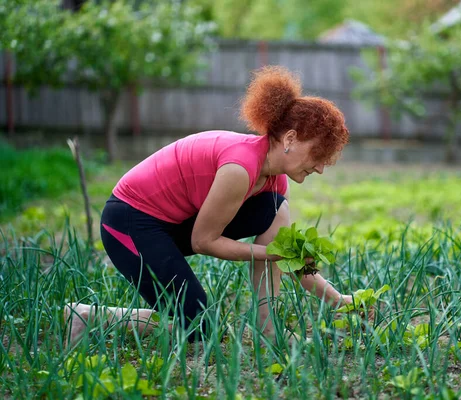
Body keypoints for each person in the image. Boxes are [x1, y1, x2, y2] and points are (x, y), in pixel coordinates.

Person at [64, 66, 352, 346]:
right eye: (318, 154)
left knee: (275, 209)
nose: (321, 168)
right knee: (202, 329)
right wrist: (271, 254)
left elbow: (287, 257)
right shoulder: (240, 168)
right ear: (290, 138)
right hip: (129, 223)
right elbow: (203, 241)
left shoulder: (274, 181)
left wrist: (338, 300)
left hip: (171, 224)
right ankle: (90, 316)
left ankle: (268, 330)